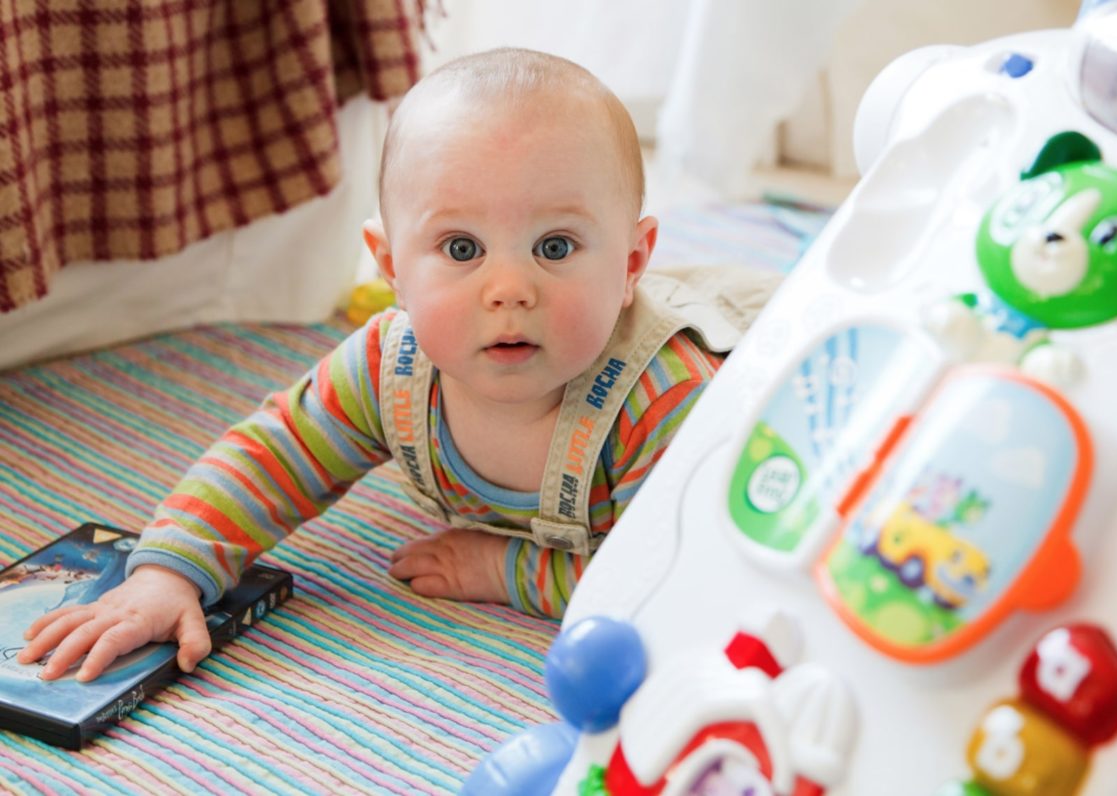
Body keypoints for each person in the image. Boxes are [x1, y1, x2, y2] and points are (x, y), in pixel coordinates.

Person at [20, 48, 780, 682]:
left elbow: (679, 580)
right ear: (390, 265)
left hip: (771, 369)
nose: (510, 290)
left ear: (632, 262)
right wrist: (169, 572)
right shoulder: (392, 363)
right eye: (460, 249)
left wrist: (504, 569)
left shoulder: (667, 402)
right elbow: (274, 455)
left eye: (555, 247)